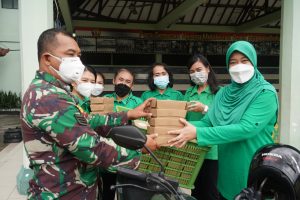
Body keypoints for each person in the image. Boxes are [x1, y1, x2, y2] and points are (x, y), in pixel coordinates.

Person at [20, 28, 157, 200]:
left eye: (78, 55)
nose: (78, 62)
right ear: (47, 59)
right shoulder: (49, 98)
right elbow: (91, 148)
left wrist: (128, 114)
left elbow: (87, 121)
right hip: (62, 194)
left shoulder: (54, 92)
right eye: (71, 55)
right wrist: (140, 150)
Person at [168, 41, 278, 200]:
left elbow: (246, 128)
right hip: (226, 173)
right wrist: (173, 126)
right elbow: (208, 122)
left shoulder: (264, 93)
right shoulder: (223, 94)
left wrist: (197, 133)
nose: (239, 66)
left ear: (253, 62)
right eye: (233, 62)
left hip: (253, 170)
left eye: (244, 60)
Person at [103, 68, 144, 200]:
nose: (123, 84)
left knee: (128, 194)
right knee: (107, 193)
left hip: (130, 158)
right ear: (114, 80)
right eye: (120, 80)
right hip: (108, 155)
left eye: (128, 81)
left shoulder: (139, 104)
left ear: (132, 85)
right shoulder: (104, 101)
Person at [184, 54, 220, 200]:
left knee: (210, 191)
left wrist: (204, 108)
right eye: (192, 71)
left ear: (208, 69)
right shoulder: (188, 93)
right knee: (195, 190)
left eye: (199, 69)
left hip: (212, 150)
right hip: (192, 148)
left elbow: (222, 119)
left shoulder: (219, 93)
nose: (195, 74)